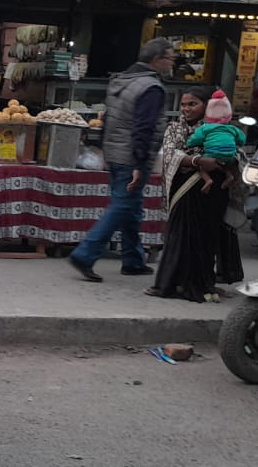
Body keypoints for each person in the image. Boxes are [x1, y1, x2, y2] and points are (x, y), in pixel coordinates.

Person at [67, 38, 175, 282]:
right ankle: (85, 254)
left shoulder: (122, 80)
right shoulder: (151, 87)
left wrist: (106, 151)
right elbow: (144, 128)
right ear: (156, 60)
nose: (172, 63)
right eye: (170, 58)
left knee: (131, 207)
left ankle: (133, 259)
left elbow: (108, 118)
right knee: (122, 206)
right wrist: (140, 162)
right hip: (131, 156)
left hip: (116, 152)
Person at [147, 87, 244, 302]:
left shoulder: (223, 126)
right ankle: (170, 284)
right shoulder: (174, 128)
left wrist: (223, 160)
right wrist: (198, 161)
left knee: (207, 238)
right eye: (183, 104)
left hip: (215, 190)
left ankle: (204, 284)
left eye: (192, 104)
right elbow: (170, 155)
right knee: (181, 235)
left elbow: (236, 152)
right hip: (186, 188)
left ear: (207, 105)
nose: (186, 109)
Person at [185, 90, 245, 193]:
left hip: (212, 154)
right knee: (226, 165)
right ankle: (229, 176)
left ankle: (208, 180)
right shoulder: (232, 128)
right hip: (230, 155)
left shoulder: (205, 128)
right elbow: (242, 140)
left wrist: (189, 143)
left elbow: (195, 139)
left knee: (200, 167)